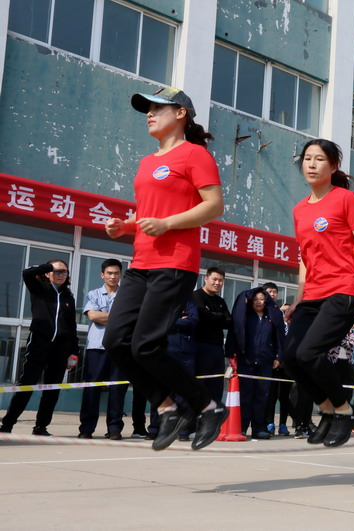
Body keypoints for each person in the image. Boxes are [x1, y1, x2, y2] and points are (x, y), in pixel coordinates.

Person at [102, 87, 227, 451]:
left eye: (158, 107)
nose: (150, 114)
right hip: (141, 262)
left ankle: (208, 406)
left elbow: (214, 205)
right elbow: (148, 213)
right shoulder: (146, 162)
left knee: (145, 345)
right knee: (115, 341)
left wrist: (168, 224)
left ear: (181, 113)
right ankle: (167, 406)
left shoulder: (195, 155)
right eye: (147, 109)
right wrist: (125, 226)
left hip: (174, 262)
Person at [281, 138, 354, 448]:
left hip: (342, 290)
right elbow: (305, 257)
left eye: (319, 159)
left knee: (309, 353)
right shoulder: (299, 210)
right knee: (291, 357)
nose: (311, 164)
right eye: (307, 158)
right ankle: (327, 409)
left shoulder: (345, 199)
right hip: (312, 294)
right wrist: (298, 298)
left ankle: (344, 410)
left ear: (333, 166)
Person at [1, 260, 79, 435]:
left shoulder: (68, 297)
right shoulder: (39, 289)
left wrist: (74, 352)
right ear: (47, 273)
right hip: (38, 344)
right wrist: (49, 266)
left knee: (52, 389)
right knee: (26, 385)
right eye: (56, 271)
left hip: (61, 349)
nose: (60, 274)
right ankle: (7, 424)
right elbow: (27, 273)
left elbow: (72, 326)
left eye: (64, 271)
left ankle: (41, 426)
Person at [227, 288, 285, 439]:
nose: (259, 302)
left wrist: (278, 357)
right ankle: (242, 427)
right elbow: (235, 333)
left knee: (262, 396)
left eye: (262, 299)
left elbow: (279, 338)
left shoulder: (271, 317)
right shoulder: (245, 317)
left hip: (265, 362)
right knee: (245, 396)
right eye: (255, 299)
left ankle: (259, 428)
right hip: (246, 360)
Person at [78, 259, 126, 440]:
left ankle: (114, 429)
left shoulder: (127, 296)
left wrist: (105, 316)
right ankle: (86, 429)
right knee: (92, 388)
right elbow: (92, 315)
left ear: (120, 275)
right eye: (109, 273)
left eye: (116, 273)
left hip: (120, 348)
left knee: (117, 389)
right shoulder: (94, 294)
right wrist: (120, 318)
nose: (113, 276)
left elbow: (132, 318)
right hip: (97, 347)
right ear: (102, 275)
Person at [193, 267, 233, 404]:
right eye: (214, 279)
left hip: (217, 348)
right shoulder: (196, 296)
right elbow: (204, 316)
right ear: (206, 278)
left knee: (216, 385)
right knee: (200, 383)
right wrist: (219, 316)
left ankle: (215, 413)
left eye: (220, 280)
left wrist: (212, 315)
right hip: (199, 346)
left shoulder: (220, 301)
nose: (217, 283)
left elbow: (229, 322)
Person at [262, 282, 294, 437]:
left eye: (275, 291)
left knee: (285, 396)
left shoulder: (290, 321)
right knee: (271, 394)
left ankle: (283, 424)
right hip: (272, 361)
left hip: (287, 364)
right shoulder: (267, 313)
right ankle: (269, 423)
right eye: (269, 291)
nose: (273, 294)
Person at [165, 299, 199, 441]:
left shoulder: (189, 303)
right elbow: (156, 321)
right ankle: (162, 430)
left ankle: (183, 431)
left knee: (184, 394)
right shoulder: (161, 300)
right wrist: (180, 320)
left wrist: (170, 321)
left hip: (186, 354)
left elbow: (193, 321)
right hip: (164, 351)